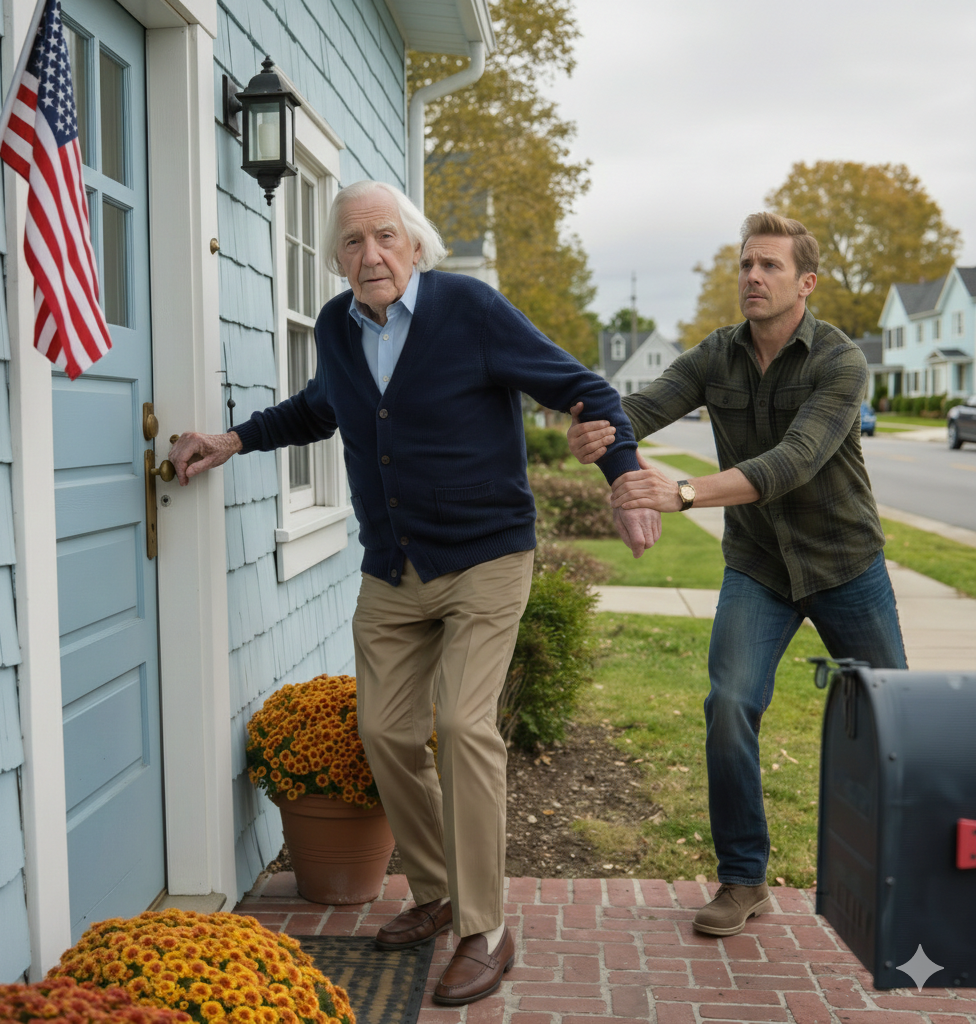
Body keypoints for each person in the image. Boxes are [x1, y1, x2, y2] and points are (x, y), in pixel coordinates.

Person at [169, 180, 659, 1005]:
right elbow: (321, 407)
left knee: (466, 726)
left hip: (485, 558)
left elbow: (587, 390)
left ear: (416, 245)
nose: (371, 256)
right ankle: (435, 891)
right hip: (393, 566)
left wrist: (625, 477)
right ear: (335, 259)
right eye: (353, 243)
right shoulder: (336, 326)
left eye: (386, 237)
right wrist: (233, 438)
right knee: (386, 731)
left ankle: (485, 929)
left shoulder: (469, 310)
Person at [567, 212, 907, 937]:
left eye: (770, 266)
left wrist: (683, 493)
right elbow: (635, 411)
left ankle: (907, 870)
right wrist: (597, 434)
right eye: (745, 265)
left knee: (894, 721)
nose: (752, 276)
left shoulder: (840, 362)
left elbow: (794, 462)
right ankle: (744, 879)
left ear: (805, 283)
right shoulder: (715, 356)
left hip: (845, 564)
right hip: (758, 566)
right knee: (728, 705)